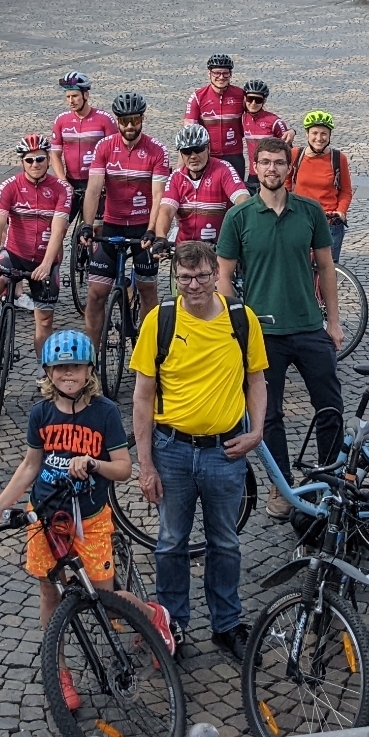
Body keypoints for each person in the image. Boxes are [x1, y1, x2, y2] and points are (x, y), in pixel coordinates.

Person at [0, 331, 174, 677]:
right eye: (61, 368)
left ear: (89, 370)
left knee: (107, 603)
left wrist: (93, 464)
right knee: (50, 592)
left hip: (90, 518)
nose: (68, 374)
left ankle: (155, 618)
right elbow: (30, 467)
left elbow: (123, 468)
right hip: (47, 518)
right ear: (48, 372)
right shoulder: (41, 413)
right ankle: (58, 669)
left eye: (75, 367)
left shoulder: (104, 413)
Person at [131, 240, 269, 660]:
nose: (194, 285)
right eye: (186, 277)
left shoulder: (241, 320)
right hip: (171, 449)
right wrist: (146, 464)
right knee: (171, 541)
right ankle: (171, 623)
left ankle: (227, 624)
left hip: (224, 451)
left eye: (203, 276)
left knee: (225, 542)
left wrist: (257, 431)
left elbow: (257, 381)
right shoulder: (161, 320)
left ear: (216, 275)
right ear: (176, 277)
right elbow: (142, 395)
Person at [218, 138, 343, 516]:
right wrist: (240, 323)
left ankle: (332, 477)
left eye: (279, 163)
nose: (272, 169)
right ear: (254, 168)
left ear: (289, 168)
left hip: (307, 326)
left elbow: (325, 268)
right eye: (265, 163)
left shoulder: (309, 211)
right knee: (268, 414)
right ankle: (281, 484)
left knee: (330, 406)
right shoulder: (238, 217)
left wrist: (333, 323)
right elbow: (223, 276)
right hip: (263, 333)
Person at [80, 91, 168, 351]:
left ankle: (147, 352)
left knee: (147, 289)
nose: (130, 126)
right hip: (113, 225)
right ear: (117, 120)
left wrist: (152, 230)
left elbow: (158, 195)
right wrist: (87, 224)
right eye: (124, 120)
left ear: (142, 118)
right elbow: (94, 189)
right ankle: (91, 358)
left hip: (143, 227)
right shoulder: (105, 147)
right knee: (96, 295)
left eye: (135, 120)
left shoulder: (156, 150)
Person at [0, 133, 72, 354]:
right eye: (29, 160)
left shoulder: (62, 189)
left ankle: (42, 370)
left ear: (48, 159)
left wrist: (47, 265)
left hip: (46, 259)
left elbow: (58, 231)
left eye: (40, 159)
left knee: (45, 321)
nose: (35, 164)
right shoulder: (10, 186)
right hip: (14, 253)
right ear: (22, 162)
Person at [156, 120, 250, 252]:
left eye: (198, 149)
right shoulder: (176, 177)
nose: (193, 156)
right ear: (181, 154)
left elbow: (243, 199)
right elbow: (166, 210)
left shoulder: (223, 169)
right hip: (184, 250)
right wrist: (161, 237)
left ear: (208, 148)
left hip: (217, 248)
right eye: (187, 151)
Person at [53, 72, 119, 223]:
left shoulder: (104, 119)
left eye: (75, 96)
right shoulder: (61, 120)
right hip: (72, 182)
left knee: (96, 228)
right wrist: (63, 181)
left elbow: (115, 153)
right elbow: (55, 155)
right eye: (68, 97)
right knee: (58, 229)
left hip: (97, 182)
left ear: (86, 95)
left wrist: (105, 181)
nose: (71, 101)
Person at [288, 111, 353, 260]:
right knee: (298, 266)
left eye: (324, 133)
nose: (319, 138)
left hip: (329, 221)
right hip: (301, 219)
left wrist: (341, 211)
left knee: (328, 271)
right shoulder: (296, 155)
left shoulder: (338, 158)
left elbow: (346, 190)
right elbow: (286, 184)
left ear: (329, 135)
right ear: (307, 134)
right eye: (314, 133)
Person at [187, 54, 249, 179]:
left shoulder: (241, 95)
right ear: (208, 74)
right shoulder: (198, 97)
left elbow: (257, 118)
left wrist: (288, 131)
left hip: (234, 155)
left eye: (225, 73)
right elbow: (189, 129)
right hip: (208, 155)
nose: (221, 77)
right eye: (216, 73)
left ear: (230, 74)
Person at [239, 80, 291, 149]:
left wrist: (292, 131)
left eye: (258, 100)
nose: (253, 103)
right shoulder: (243, 119)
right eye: (250, 99)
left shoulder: (275, 122)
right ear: (245, 99)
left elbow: (288, 149)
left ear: (264, 101)